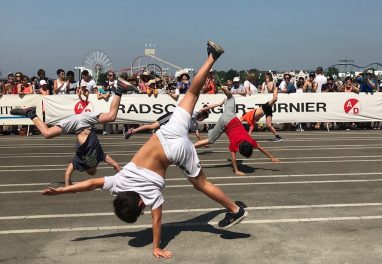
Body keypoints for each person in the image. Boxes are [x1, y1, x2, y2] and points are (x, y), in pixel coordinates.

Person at [41, 41, 247, 259]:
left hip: (176, 151)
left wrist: (156, 247)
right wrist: (62, 190)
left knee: (202, 184)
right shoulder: (119, 183)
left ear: (140, 204)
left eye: (140, 212)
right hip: (167, 133)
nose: (144, 211)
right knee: (192, 94)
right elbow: (91, 184)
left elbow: (156, 220)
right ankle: (212, 57)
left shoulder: (149, 197)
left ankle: (235, 210)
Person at [9, 77, 137, 186]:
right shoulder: (100, 157)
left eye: (91, 169)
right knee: (111, 117)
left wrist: (67, 185)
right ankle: (119, 89)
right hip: (84, 122)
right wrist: (124, 180)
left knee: (47, 133)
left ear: (88, 168)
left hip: (77, 124)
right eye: (94, 168)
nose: (93, 167)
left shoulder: (80, 161)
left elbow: (68, 173)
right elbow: (115, 166)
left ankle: (30, 113)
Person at [194, 86, 280, 176]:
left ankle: (223, 89)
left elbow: (261, 148)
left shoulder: (249, 140)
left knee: (231, 97)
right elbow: (233, 157)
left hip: (231, 115)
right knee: (210, 140)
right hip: (224, 122)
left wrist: (272, 157)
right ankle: (192, 146)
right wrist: (236, 170)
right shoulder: (235, 145)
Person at [124, 101, 222, 141]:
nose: (202, 119)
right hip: (171, 117)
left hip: (173, 126)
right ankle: (133, 131)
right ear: (201, 114)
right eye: (203, 117)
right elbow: (204, 109)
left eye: (204, 119)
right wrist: (218, 104)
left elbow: (196, 133)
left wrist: (202, 143)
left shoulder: (194, 123)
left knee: (160, 136)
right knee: (153, 126)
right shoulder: (195, 112)